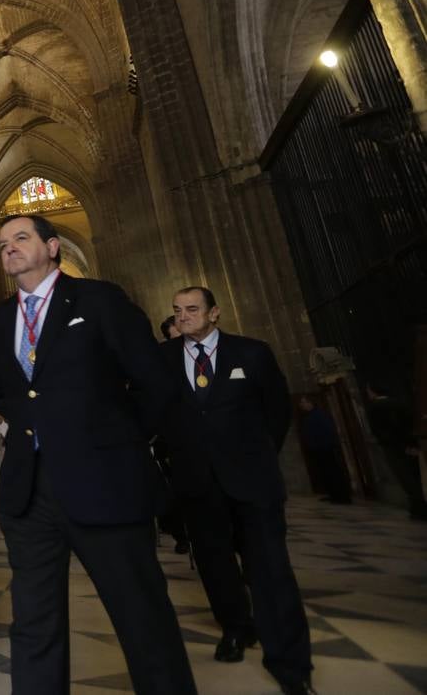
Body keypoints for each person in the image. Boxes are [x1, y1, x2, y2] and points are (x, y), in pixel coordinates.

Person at [0, 214, 197, 694]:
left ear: (52, 246)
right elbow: (2, 391)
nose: (9, 249)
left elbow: (155, 383)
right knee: (34, 626)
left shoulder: (99, 300)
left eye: (21, 238)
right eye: (2, 245)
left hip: (105, 483)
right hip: (29, 492)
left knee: (141, 619)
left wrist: (114, 440)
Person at [166, 286, 312, 693]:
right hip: (198, 483)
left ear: (214, 313)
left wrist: (255, 457)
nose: (184, 317)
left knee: (270, 568)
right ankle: (235, 628)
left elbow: (277, 413)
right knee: (215, 565)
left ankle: (290, 661)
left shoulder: (252, 353)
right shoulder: (163, 360)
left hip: (252, 481)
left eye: (193, 309)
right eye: (178, 311)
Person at [364, 385, 427, 520]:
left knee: (405, 476)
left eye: (368, 391)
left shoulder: (374, 408)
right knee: (415, 475)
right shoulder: (399, 403)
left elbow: (378, 430)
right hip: (408, 443)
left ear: (373, 392)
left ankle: (418, 508)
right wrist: (411, 442)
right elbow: (409, 423)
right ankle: (418, 506)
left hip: (392, 445)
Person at [298, 395, 351, 504]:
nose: (301, 405)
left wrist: (324, 444)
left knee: (332, 472)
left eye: (303, 402)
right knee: (325, 472)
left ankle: (341, 496)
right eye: (301, 403)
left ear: (310, 403)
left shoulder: (319, 415)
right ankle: (333, 494)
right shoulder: (310, 416)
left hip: (324, 448)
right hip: (318, 448)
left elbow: (327, 431)